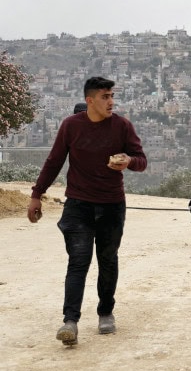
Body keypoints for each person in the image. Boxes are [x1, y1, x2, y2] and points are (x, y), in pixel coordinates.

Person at [26, 76, 147, 346]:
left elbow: (141, 160)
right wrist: (37, 195)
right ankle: (70, 321)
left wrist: (128, 161)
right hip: (78, 205)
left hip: (112, 206)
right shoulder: (71, 126)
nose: (111, 101)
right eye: (105, 97)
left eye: (112, 95)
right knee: (78, 262)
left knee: (108, 260)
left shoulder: (122, 126)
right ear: (90, 100)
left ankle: (106, 313)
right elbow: (54, 161)